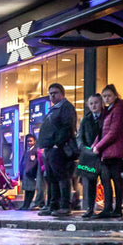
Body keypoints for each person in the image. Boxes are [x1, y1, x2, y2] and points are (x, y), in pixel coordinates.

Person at [92, 83, 123, 219]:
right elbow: (102, 131)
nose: (106, 98)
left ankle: (117, 208)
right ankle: (108, 208)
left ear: (115, 95)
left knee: (116, 180)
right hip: (106, 151)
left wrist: (98, 146)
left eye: (109, 95)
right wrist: (95, 144)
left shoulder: (119, 108)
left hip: (114, 151)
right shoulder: (108, 110)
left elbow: (113, 132)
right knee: (105, 180)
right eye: (104, 96)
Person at [36, 82, 77, 216]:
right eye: (50, 94)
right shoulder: (53, 109)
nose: (52, 96)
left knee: (62, 177)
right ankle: (53, 205)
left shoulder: (66, 107)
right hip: (49, 149)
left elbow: (67, 127)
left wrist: (57, 144)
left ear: (62, 94)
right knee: (52, 178)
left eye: (55, 93)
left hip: (58, 149)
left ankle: (65, 205)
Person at [76, 93, 105, 218]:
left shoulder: (107, 117)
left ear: (101, 103)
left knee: (106, 181)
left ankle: (108, 207)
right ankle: (89, 208)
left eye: (96, 103)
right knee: (89, 183)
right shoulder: (86, 120)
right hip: (89, 156)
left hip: (104, 154)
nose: (94, 105)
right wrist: (84, 148)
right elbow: (79, 137)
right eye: (91, 103)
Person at [19, 134, 40, 209]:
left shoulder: (36, 151)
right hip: (26, 173)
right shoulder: (27, 150)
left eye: (30, 141)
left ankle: (26, 205)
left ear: (35, 141)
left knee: (31, 190)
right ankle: (25, 205)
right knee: (27, 190)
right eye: (27, 141)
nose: (29, 143)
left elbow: (35, 163)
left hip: (31, 173)